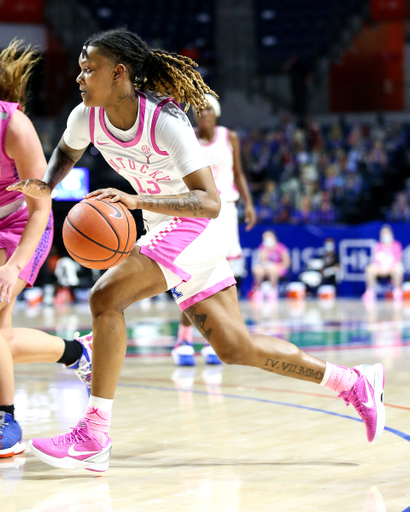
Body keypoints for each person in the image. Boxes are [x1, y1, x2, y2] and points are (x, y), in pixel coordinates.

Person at [13, 28, 385, 472]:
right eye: (80, 68)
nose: (79, 76)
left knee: (104, 297)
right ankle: (352, 381)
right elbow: (66, 155)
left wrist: (135, 201)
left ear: (119, 72)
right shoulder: (84, 117)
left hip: (198, 226)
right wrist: (47, 184)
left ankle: (94, 434)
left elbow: (209, 202)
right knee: (235, 346)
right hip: (166, 227)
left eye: (88, 68)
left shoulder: (165, 121)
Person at [0, 40, 93, 458]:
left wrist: (12, 266)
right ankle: (77, 352)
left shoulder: (14, 127)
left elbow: (40, 209)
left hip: (20, 225)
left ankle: (6, 421)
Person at [171, 94, 256, 366]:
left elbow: (239, 172)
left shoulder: (229, 137)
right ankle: (184, 338)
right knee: (194, 277)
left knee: (223, 279)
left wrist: (249, 204)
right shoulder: (187, 137)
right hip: (199, 212)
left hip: (227, 209)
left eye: (207, 109)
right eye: (198, 110)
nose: (202, 114)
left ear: (216, 113)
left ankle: (214, 340)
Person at [362, 225, 403, 303]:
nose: (385, 235)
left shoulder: (396, 245)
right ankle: (370, 292)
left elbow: (397, 260)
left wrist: (388, 269)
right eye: (383, 233)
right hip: (380, 268)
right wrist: (381, 269)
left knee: (398, 269)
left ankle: (397, 291)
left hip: (392, 268)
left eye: (387, 233)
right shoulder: (378, 246)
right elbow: (376, 260)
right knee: (370, 268)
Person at [251, 230, 290, 301]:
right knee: (257, 270)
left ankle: (273, 290)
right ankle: (258, 290)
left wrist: (276, 266)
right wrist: (266, 250)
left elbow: (286, 262)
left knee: (272, 270)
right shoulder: (263, 247)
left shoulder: (281, 247)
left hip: (278, 268)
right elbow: (262, 261)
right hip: (266, 267)